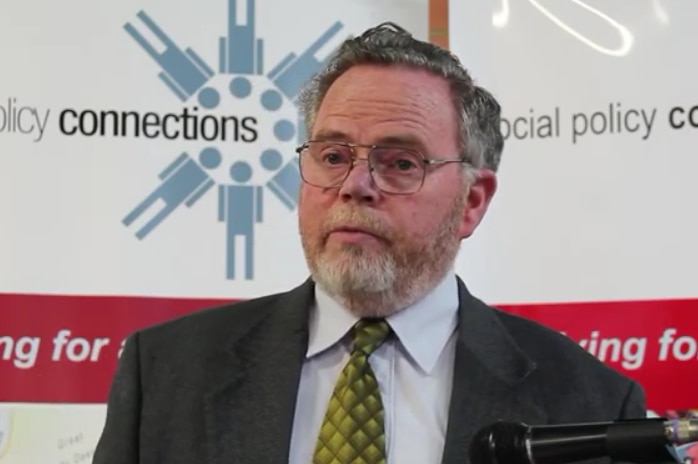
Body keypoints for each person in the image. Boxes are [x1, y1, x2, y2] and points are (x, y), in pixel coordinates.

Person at [93, 22, 646, 464]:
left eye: (400, 163)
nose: (355, 186)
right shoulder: (166, 371)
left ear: (472, 201)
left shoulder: (589, 404)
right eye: (332, 157)